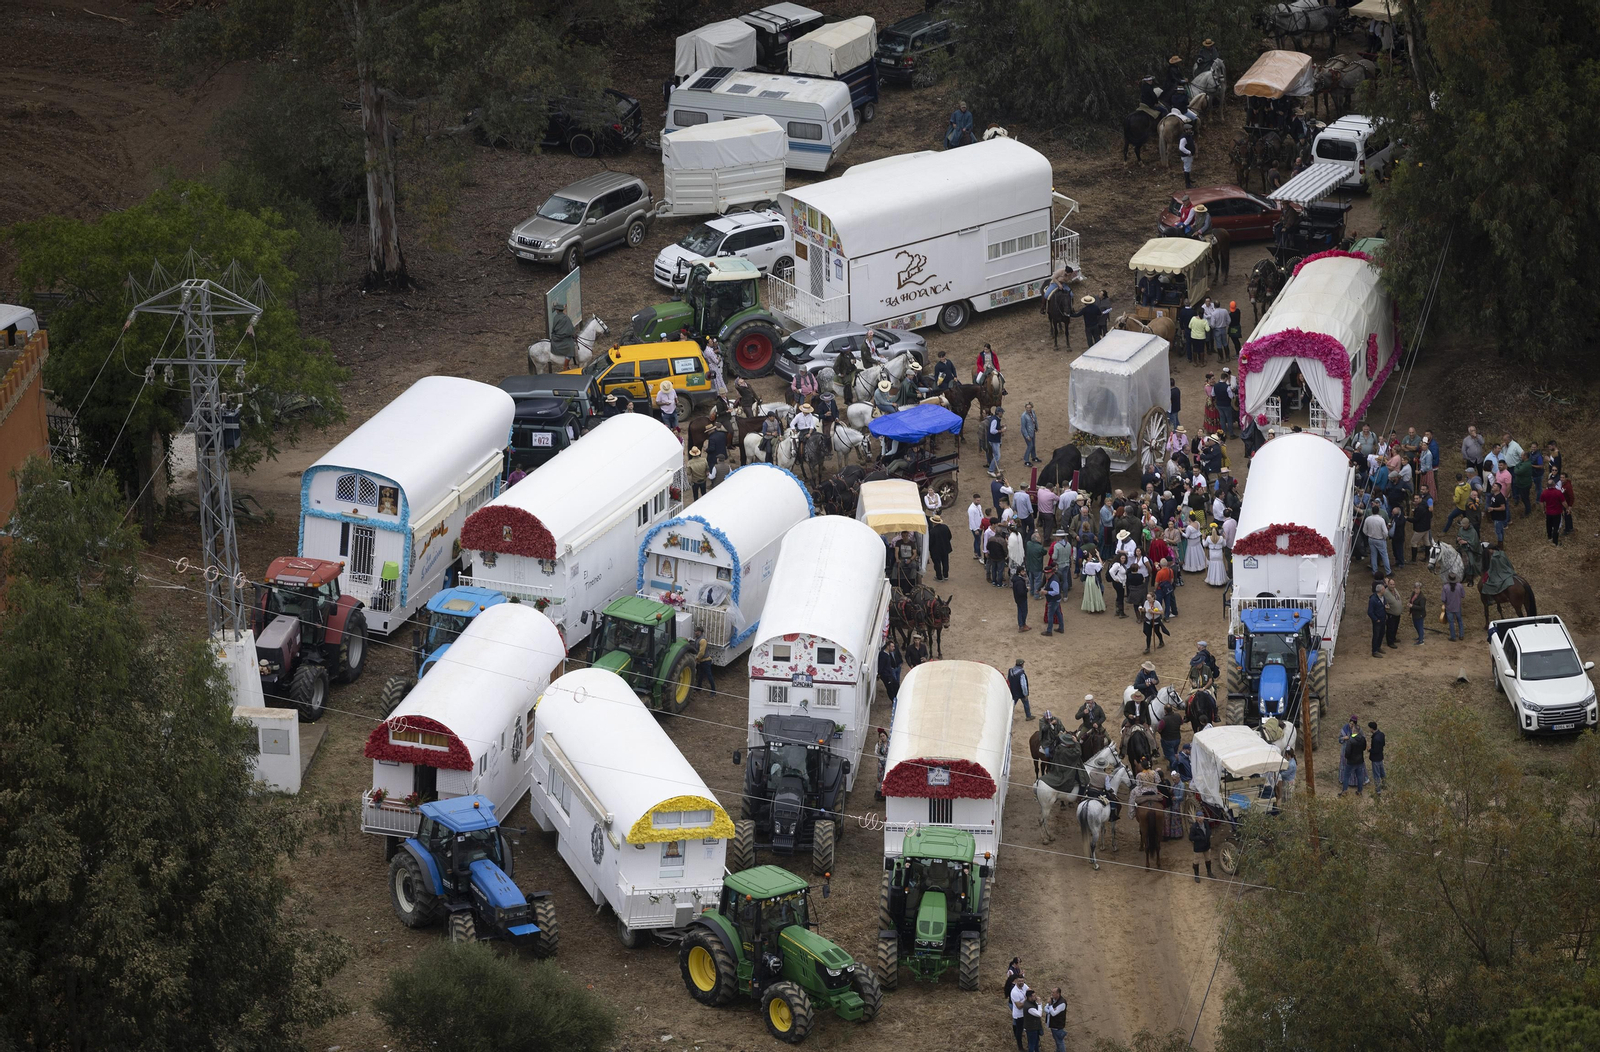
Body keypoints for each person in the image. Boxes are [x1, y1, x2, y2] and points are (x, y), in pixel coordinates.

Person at [1341, 722, 1369, 796]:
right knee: (1359, 776)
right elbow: (1364, 748)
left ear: (1354, 730)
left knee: (1346, 776)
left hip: (1351, 761)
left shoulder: (1350, 740)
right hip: (1360, 760)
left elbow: (1347, 752)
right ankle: (1359, 791)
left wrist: (1347, 757)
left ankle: (1344, 791)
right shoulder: (1362, 739)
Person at [1362, 506, 1392, 575]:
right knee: (1384, 555)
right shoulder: (1381, 520)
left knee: (1373, 555)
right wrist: (1384, 537)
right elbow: (1385, 532)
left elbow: (1364, 530)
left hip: (1371, 539)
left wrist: (1369, 534)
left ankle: (1374, 571)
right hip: (1380, 539)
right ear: (1378, 511)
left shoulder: (1368, 519)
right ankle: (1388, 571)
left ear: (1372, 511)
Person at [549, 301, 576, 365]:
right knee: (571, 346)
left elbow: (554, 328)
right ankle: (565, 366)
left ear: (557, 311)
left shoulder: (556, 317)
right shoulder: (566, 317)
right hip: (563, 338)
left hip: (556, 336)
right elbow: (571, 329)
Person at [1009, 972, 1031, 1052]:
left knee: (1025, 1028)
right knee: (1019, 1031)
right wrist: (1027, 999)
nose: (1021, 982)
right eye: (1019, 981)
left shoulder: (1024, 986)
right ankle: (1020, 1047)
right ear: (1016, 981)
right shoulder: (1014, 992)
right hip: (1019, 1015)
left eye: (1022, 981)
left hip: (1025, 1013)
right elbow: (1019, 1006)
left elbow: (1030, 991)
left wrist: (1030, 994)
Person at [927, 514, 953, 581]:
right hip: (945, 548)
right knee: (945, 562)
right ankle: (946, 575)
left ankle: (939, 577)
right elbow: (950, 536)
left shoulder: (932, 531)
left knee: (937, 563)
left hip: (936, 550)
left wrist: (929, 549)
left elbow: (930, 542)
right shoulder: (945, 527)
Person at [1441, 574, 1465, 641]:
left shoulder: (1445, 587)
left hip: (1449, 607)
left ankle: (1453, 637)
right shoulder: (1460, 586)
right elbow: (1463, 595)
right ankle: (1461, 635)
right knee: (1459, 621)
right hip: (1458, 607)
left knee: (1451, 622)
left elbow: (1443, 599)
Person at [1189, 814, 1213, 882]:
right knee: (1196, 861)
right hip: (1198, 847)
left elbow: (1209, 830)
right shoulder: (1194, 827)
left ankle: (1209, 872)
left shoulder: (1206, 823)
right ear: (1196, 818)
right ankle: (1196, 875)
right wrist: (1199, 838)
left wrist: (1208, 836)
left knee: (1208, 859)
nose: (1201, 818)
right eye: (1199, 817)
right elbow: (1191, 837)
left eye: (1202, 816)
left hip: (1206, 845)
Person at [692, 626, 716, 692]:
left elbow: (701, 652)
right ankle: (699, 687)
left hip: (706, 661)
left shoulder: (702, 640)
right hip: (702, 661)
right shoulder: (697, 639)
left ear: (700, 632)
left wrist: (696, 658)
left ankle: (713, 690)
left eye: (696, 631)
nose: (695, 632)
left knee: (709, 676)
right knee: (700, 675)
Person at [1382, 576, 1403, 650]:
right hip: (1391, 614)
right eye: (1391, 584)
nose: (1392, 586)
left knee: (1395, 627)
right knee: (1390, 628)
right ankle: (1390, 642)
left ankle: (1393, 638)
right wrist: (1385, 606)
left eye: (1393, 584)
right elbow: (1382, 600)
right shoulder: (1385, 592)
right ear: (1388, 584)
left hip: (1397, 614)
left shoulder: (1395, 590)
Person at [1367, 583, 1388, 658]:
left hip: (1383, 619)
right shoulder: (1373, 599)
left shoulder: (1383, 597)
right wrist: (1376, 619)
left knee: (1382, 633)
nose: (1384, 590)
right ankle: (1374, 651)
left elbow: (1384, 604)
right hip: (1377, 621)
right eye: (1383, 589)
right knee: (1376, 635)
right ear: (1380, 590)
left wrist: (1385, 606)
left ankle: (1378, 647)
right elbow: (1370, 612)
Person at [1042, 571, 1064, 636]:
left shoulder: (1053, 581)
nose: (1046, 575)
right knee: (1058, 613)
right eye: (1045, 574)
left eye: (1048, 574)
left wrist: (1047, 592)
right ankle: (1061, 628)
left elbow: (1056, 592)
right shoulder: (1053, 578)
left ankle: (1049, 631)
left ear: (1051, 573)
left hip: (1053, 600)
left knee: (1050, 615)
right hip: (1056, 599)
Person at [1012, 566, 1031, 633]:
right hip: (1022, 599)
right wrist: (1027, 589)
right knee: (1024, 612)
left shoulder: (1016, 579)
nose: (1024, 573)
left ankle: (1021, 625)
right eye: (1023, 571)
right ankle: (1023, 625)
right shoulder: (1020, 582)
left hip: (1017, 598)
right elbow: (1021, 592)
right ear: (1019, 572)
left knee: (1020, 611)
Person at [986, 406, 1005, 475]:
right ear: (999, 413)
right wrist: (1001, 430)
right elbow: (992, 431)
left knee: (996, 455)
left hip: (995, 439)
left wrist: (1001, 426)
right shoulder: (995, 420)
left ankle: (996, 468)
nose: (1002, 414)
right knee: (997, 455)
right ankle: (991, 470)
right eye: (1002, 413)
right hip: (994, 440)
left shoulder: (996, 419)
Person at [1020, 402, 1039, 466]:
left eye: (1030, 407)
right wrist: (1026, 436)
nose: (1028, 409)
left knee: (1033, 445)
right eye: (1027, 408)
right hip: (1027, 433)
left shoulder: (1033, 412)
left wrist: (1036, 427)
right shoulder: (1023, 416)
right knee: (1030, 446)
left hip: (1032, 431)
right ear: (1025, 408)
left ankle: (1034, 457)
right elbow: (1023, 427)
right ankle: (1026, 460)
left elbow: (1034, 420)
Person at [1178, 123, 1196, 188]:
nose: (1190, 130)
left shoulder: (1189, 136)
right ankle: (1187, 184)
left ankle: (1188, 179)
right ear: (1185, 130)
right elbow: (1181, 147)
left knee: (1188, 167)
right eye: (1189, 129)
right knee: (1187, 168)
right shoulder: (1184, 138)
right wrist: (1188, 152)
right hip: (1186, 156)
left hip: (1189, 155)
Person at [874, 727, 890, 800]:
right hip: (881, 762)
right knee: (880, 777)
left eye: (883, 736)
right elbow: (876, 753)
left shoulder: (890, 743)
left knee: (887, 776)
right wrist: (879, 745)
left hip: (888, 762)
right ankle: (879, 793)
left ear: (886, 735)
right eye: (881, 736)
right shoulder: (878, 744)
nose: (883, 737)